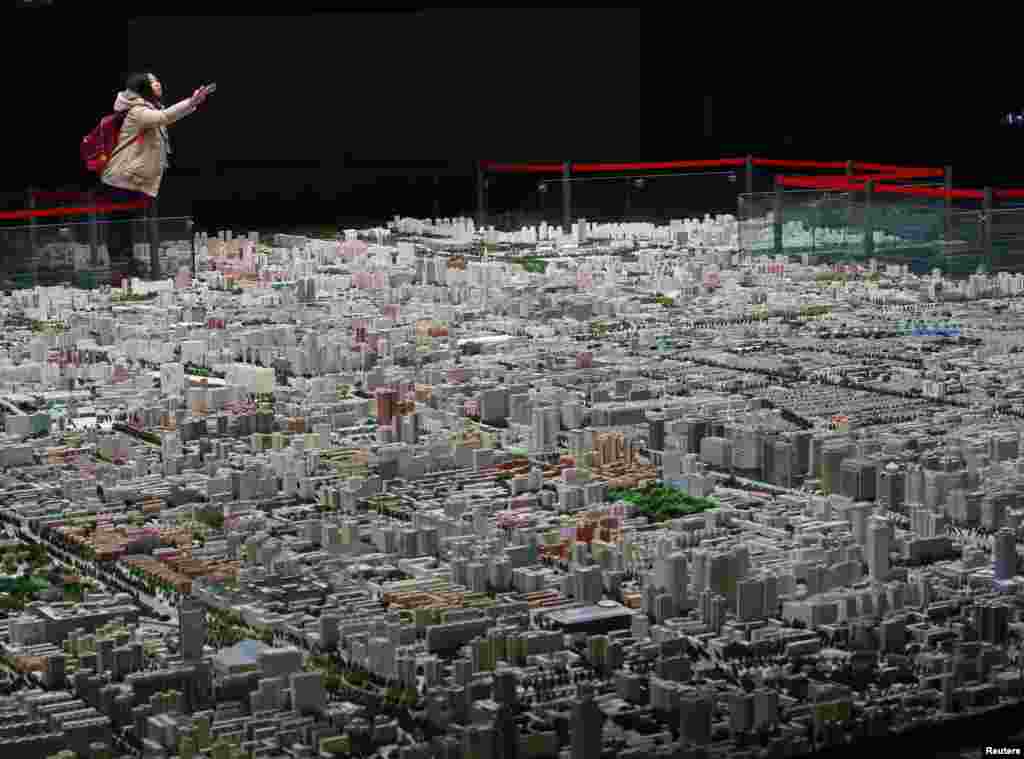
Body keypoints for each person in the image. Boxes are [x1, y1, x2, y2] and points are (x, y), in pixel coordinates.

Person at [100, 72, 213, 278]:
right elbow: (164, 118)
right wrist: (192, 101)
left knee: (126, 226)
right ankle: (120, 272)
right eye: (153, 82)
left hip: (130, 178)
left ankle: (127, 270)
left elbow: (165, 117)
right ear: (144, 88)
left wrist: (192, 103)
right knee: (119, 227)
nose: (158, 83)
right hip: (122, 179)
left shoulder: (148, 109)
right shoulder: (137, 112)